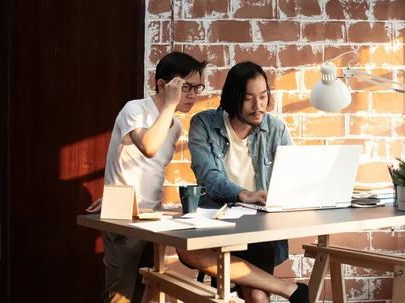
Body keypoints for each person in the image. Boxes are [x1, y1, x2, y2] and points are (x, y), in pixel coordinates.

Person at [86, 54, 308, 303]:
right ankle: (289, 290)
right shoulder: (135, 109)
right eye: (186, 87)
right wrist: (116, 196)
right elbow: (148, 149)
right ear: (163, 85)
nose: (193, 95)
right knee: (122, 293)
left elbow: (148, 172)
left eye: (198, 88)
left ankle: (290, 290)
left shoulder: (175, 125)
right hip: (125, 214)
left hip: (150, 214)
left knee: (147, 284)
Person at [187, 61, 306, 303]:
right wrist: (242, 194)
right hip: (218, 222)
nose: (258, 105)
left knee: (256, 294)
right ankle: (290, 289)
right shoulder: (203, 125)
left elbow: (292, 175)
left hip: (259, 227)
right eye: (249, 98)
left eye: (263, 96)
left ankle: (287, 290)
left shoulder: (275, 129)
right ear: (233, 98)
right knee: (186, 249)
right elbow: (207, 175)